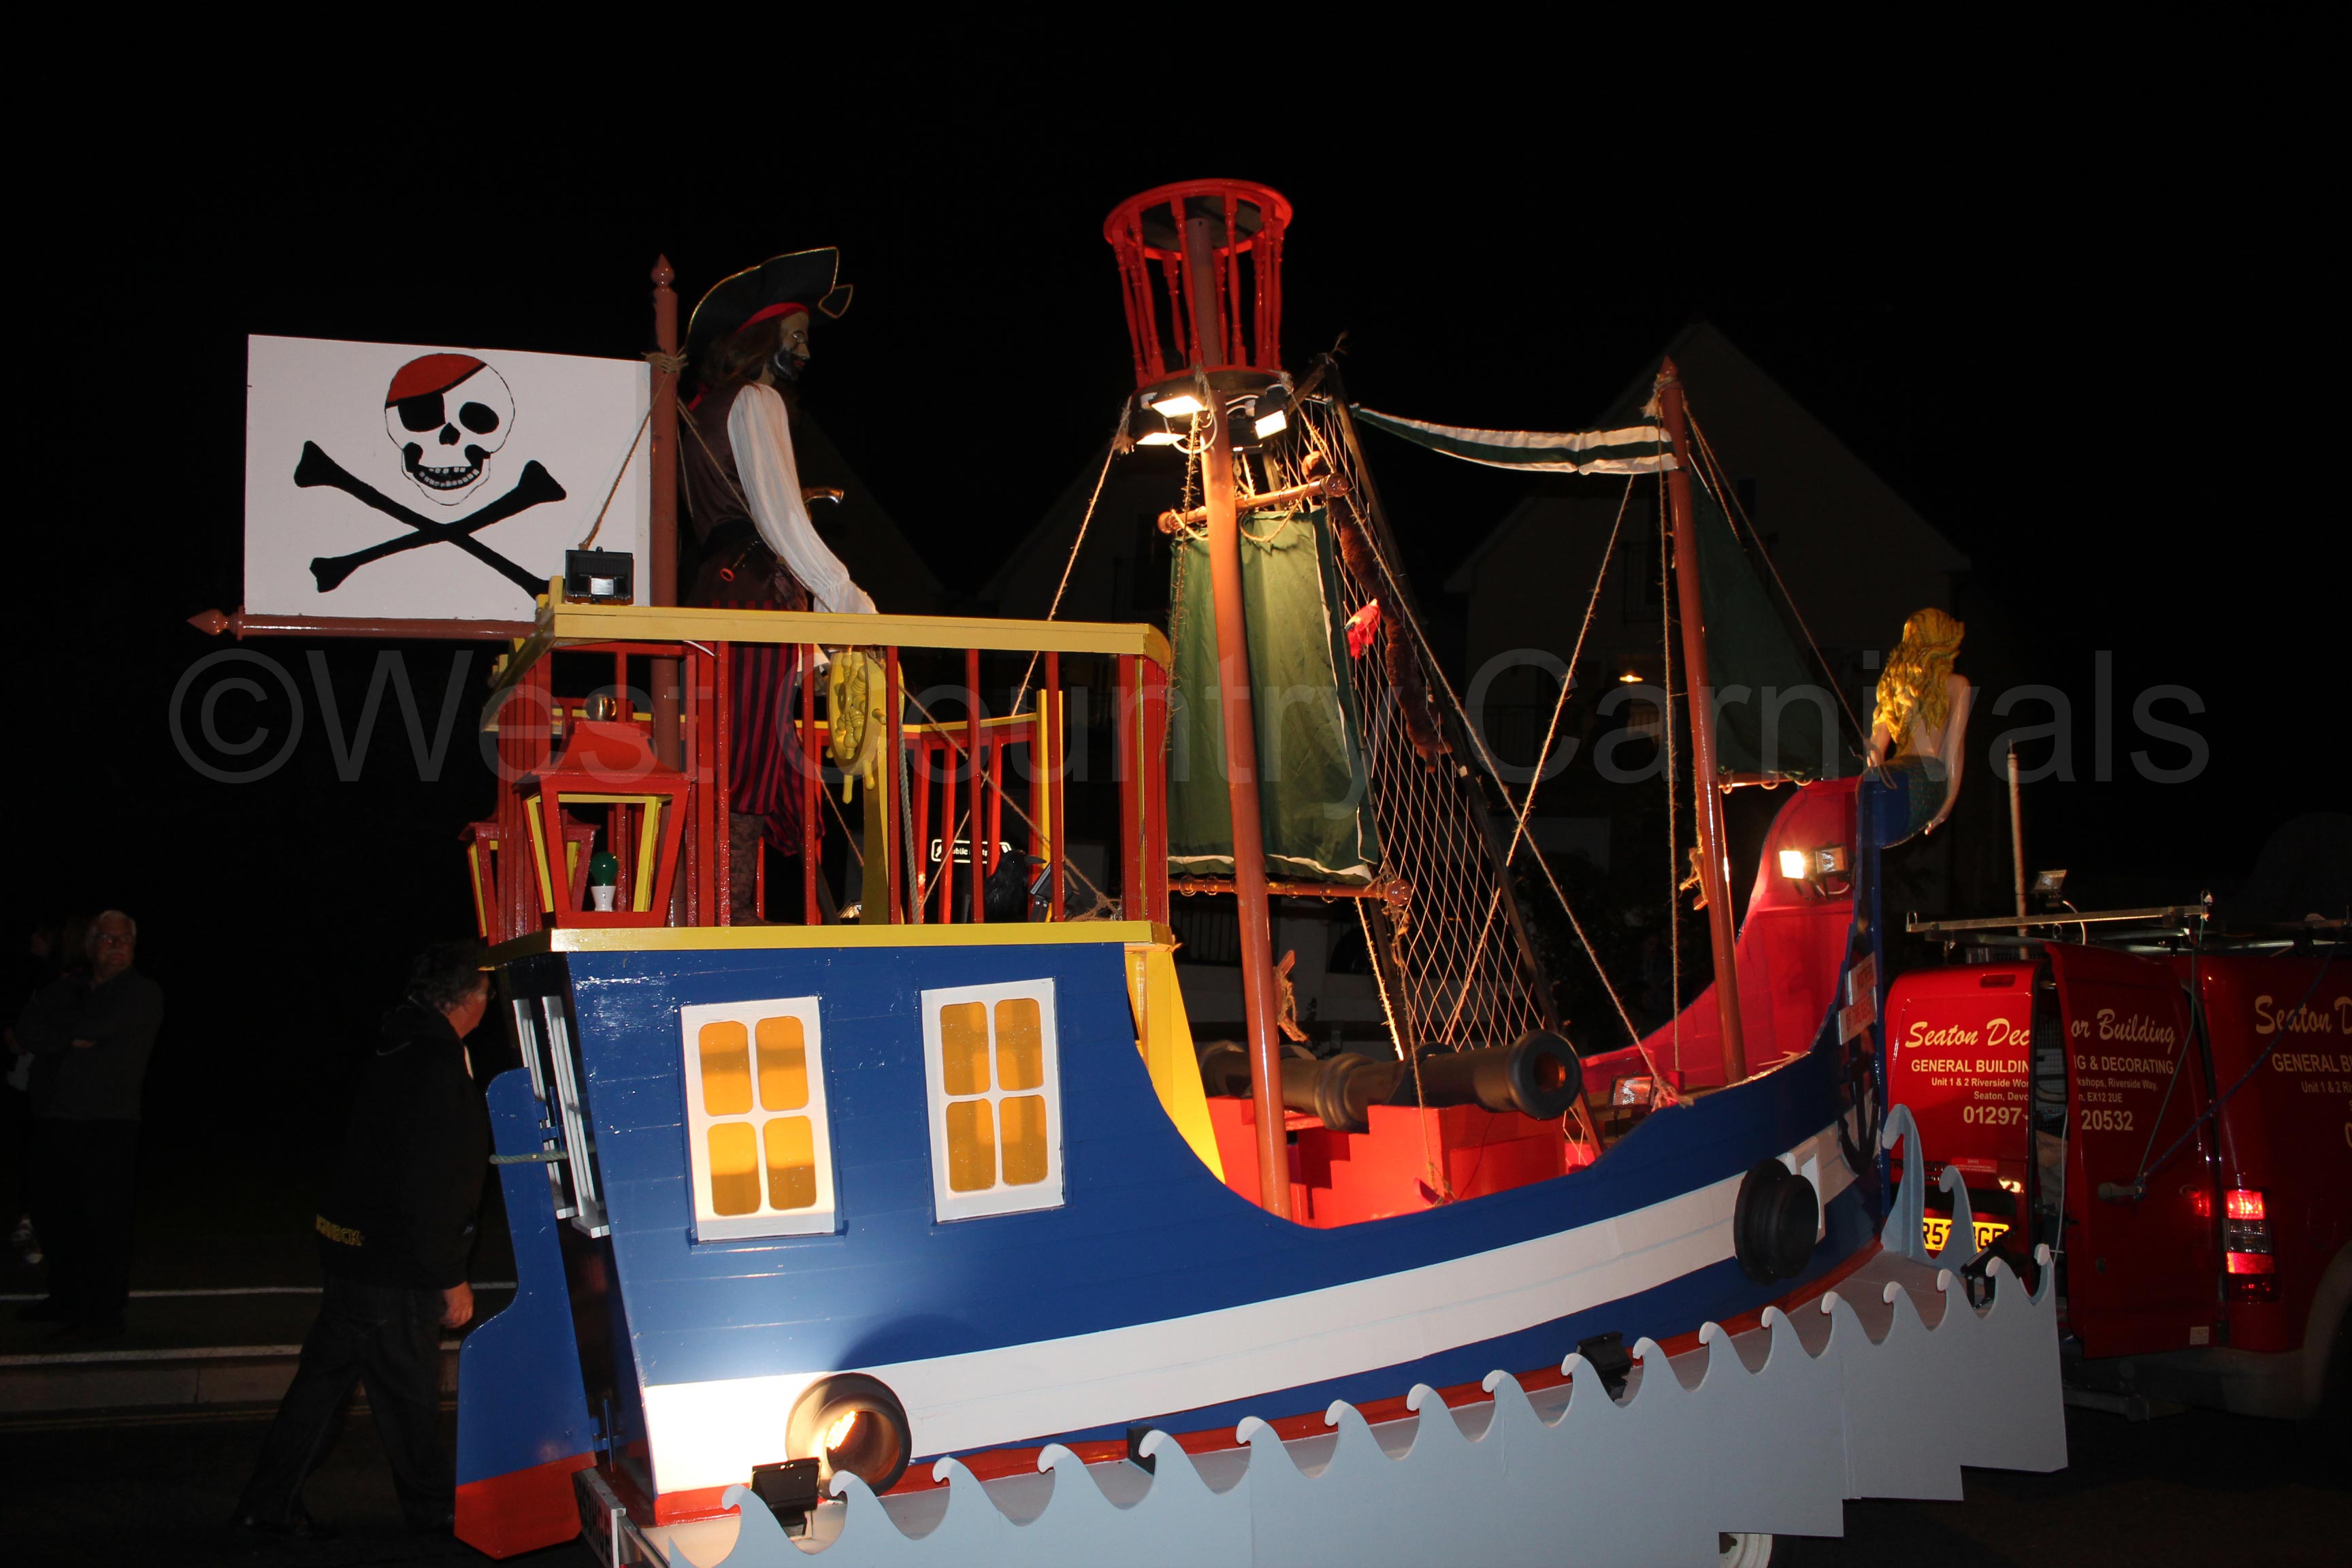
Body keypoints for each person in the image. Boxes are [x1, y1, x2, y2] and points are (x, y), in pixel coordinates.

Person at [233, 941, 493, 1540]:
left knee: (321, 1390)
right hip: (393, 1263)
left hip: (352, 1249)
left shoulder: (394, 1044)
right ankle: (434, 1510)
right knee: (408, 1397)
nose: (489, 1002)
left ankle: (266, 1502)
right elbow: (433, 1184)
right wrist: (449, 1274)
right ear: (467, 999)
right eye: (486, 991)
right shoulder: (437, 1065)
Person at [681, 246, 878, 922]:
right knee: (750, 751)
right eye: (796, 338)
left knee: (736, 744)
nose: (806, 352)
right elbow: (781, 520)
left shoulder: (707, 408)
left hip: (720, 589)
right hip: (753, 590)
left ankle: (726, 901)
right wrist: (847, 600)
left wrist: (814, 646)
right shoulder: (755, 399)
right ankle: (729, 905)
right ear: (763, 340)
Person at [11, 910, 161, 1335]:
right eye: (108, 939)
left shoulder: (141, 992)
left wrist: (56, 1033)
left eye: (124, 939)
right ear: (90, 945)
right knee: (54, 1215)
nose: (116, 946)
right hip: (54, 1117)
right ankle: (65, 1297)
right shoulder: (69, 986)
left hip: (107, 1123)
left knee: (102, 1223)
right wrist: (67, 1039)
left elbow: (96, 1027)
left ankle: (102, 1313)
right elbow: (26, 1027)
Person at [1865, 608, 1972, 845]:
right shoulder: (1957, 685)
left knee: (1872, 840)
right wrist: (1949, 800)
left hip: (1899, 774)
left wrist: (1872, 786)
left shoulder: (1893, 686)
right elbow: (1954, 749)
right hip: (1926, 780)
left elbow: (1874, 752)